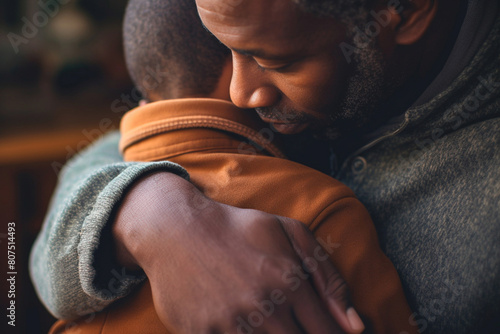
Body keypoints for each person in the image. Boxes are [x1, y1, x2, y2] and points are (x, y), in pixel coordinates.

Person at [31, 0, 500, 333]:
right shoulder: (258, 96)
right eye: (222, 47)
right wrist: (150, 215)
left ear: (409, 9)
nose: (239, 94)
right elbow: (40, 259)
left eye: (274, 60)